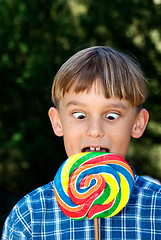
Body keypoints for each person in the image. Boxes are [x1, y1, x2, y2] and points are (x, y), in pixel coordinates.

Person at [2, 46, 161, 239]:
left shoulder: (156, 207)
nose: (95, 131)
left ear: (138, 124)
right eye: (79, 115)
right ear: (57, 122)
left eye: (112, 116)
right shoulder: (30, 217)